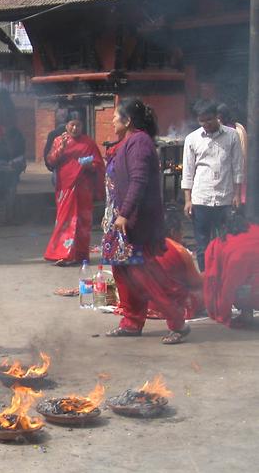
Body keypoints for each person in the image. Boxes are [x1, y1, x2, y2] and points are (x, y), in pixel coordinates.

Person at [103, 98, 190, 344]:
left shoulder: (139, 142)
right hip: (122, 222)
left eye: (115, 116)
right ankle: (131, 321)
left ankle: (178, 323)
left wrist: (125, 213)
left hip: (136, 224)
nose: (112, 120)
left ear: (128, 120)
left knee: (145, 274)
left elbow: (138, 181)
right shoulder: (126, 142)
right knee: (123, 272)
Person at [182, 99, 244, 271]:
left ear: (217, 117)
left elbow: (237, 167)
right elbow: (187, 172)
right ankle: (205, 279)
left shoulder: (232, 135)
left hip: (225, 199)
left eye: (209, 119)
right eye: (202, 121)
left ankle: (225, 278)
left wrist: (237, 195)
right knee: (202, 245)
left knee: (227, 243)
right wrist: (188, 200)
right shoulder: (192, 139)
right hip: (201, 198)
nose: (206, 124)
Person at [42, 116, 105, 266]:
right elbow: (50, 161)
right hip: (65, 186)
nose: (75, 128)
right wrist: (61, 148)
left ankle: (81, 255)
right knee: (64, 220)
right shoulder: (58, 140)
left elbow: (99, 164)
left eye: (78, 125)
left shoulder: (88, 142)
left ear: (82, 126)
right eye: (72, 125)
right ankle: (62, 255)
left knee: (83, 221)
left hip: (84, 187)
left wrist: (89, 164)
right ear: (67, 125)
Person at [203, 211, 259, 327]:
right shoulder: (255, 230)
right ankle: (246, 313)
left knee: (232, 285)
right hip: (251, 281)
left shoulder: (220, 241)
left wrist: (221, 315)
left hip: (239, 274)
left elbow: (212, 278)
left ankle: (245, 312)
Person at [0, 109, 26, 213]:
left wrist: (14, 162)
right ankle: (5, 210)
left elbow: (20, 151)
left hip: (13, 166)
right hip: (3, 166)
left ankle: (9, 211)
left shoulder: (17, 135)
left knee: (10, 188)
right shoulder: (0, 134)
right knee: (4, 188)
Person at [217, 103, 248, 206]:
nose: (217, 121)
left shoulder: (236, 130)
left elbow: (241, 153)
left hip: (234, 168)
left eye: (219, 118)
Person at [43, 108, 70, 173]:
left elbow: (47, 151)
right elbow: (47, 152)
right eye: (61, 114)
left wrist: (49, 166)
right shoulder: (54, 134)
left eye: (64, 114)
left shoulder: (53, 133)